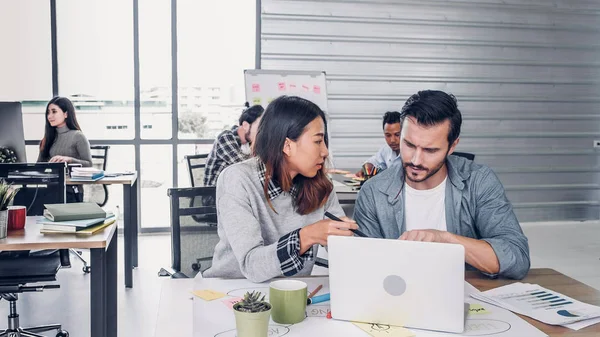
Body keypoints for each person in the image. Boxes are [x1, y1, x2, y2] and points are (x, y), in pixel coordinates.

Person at [354, 90, 530, 280]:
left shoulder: (479, 181)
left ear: (452, 146)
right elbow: (365, 270)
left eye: (430, 150)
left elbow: (517, 259)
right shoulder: (372, 192)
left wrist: (446, 240)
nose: (415, 159)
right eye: (409, 145)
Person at [202, 96, 357, 282]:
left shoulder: (321, 186)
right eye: (318, 141)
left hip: (293, 292)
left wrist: (355, 243)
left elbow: (345, 252)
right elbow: (252, 266)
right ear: (287, 145)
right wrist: (307, 236)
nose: (325, 152)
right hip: (232, 291)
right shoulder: (238, 179)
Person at [37, 96, 92, 203]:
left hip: (71, 192)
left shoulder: (78, 136)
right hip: (50, 191)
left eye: (54, 112)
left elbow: (89, 164)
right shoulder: (48, 138)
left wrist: (69, 160)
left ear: (66, 114)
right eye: (48, 112)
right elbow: (39, 166)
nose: (50, 116)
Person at [203, 104, 264, 186]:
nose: (263, 132)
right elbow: (246, 166)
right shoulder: (225, 137)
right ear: (245, 125)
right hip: (214, 194)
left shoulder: (250, 143)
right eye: (260, 127)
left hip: (234, 190)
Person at [356, 111, 402, 178]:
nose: (392, 140)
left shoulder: (413, 153)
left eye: (397, 135)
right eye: (388, 135)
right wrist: (367, 167)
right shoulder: (386, 149)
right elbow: (374, 161)